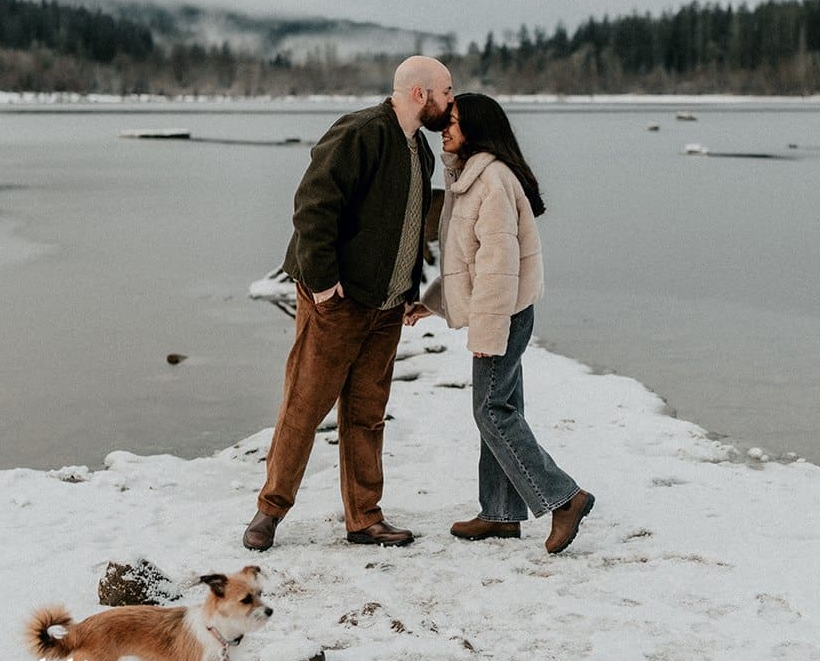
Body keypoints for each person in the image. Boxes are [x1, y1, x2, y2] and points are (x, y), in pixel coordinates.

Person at [242, 56, 455, 551]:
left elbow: (408, 224)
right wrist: (321, 284)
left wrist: (408, 290)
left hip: (385, 309)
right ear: (420, 94)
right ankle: (269, 512)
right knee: (305, 404)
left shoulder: (418, 151)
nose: (451, 100)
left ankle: (364, 518)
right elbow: (313, 206)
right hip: (337, 301)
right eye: (446, 90)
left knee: (366, 414)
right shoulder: (361, 131)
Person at [405, 93, 594, 554]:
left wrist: (487, 333)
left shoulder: (491, 181)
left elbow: (497, 267)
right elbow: (464, 260)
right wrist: (433, 302)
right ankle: (500, 513)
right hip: (505, 309)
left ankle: (563, 498)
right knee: (502, 407)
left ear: (477, 127)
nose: (443, 129)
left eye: (451, 122)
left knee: (491, 412)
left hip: (503, 313)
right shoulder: (472, 176)